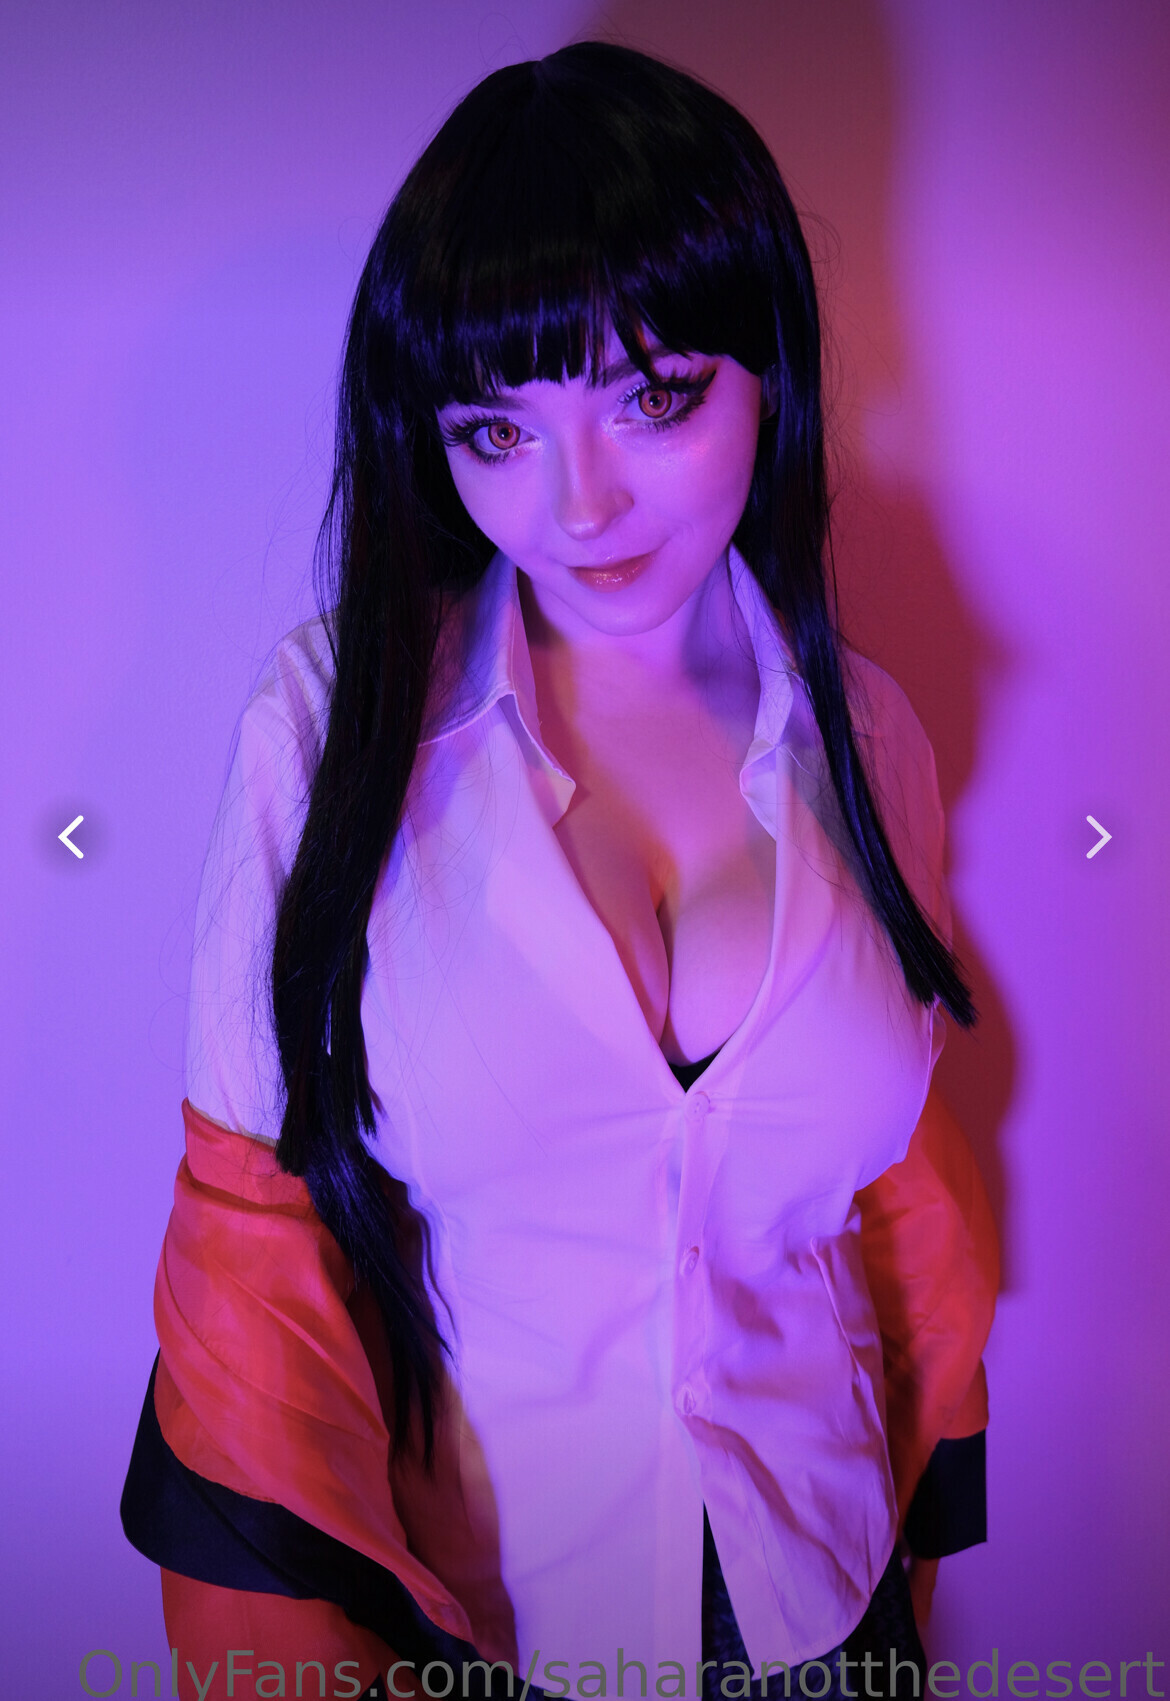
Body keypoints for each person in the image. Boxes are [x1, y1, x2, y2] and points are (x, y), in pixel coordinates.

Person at [122, 41, 998, 1701]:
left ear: (770, 372)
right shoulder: (328, 724)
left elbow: (900, 1215)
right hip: (494, 1630)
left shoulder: (871, 737)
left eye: (653, 398)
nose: (577, 503)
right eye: (495, 429)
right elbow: (251, 1255)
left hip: (832, 1606)